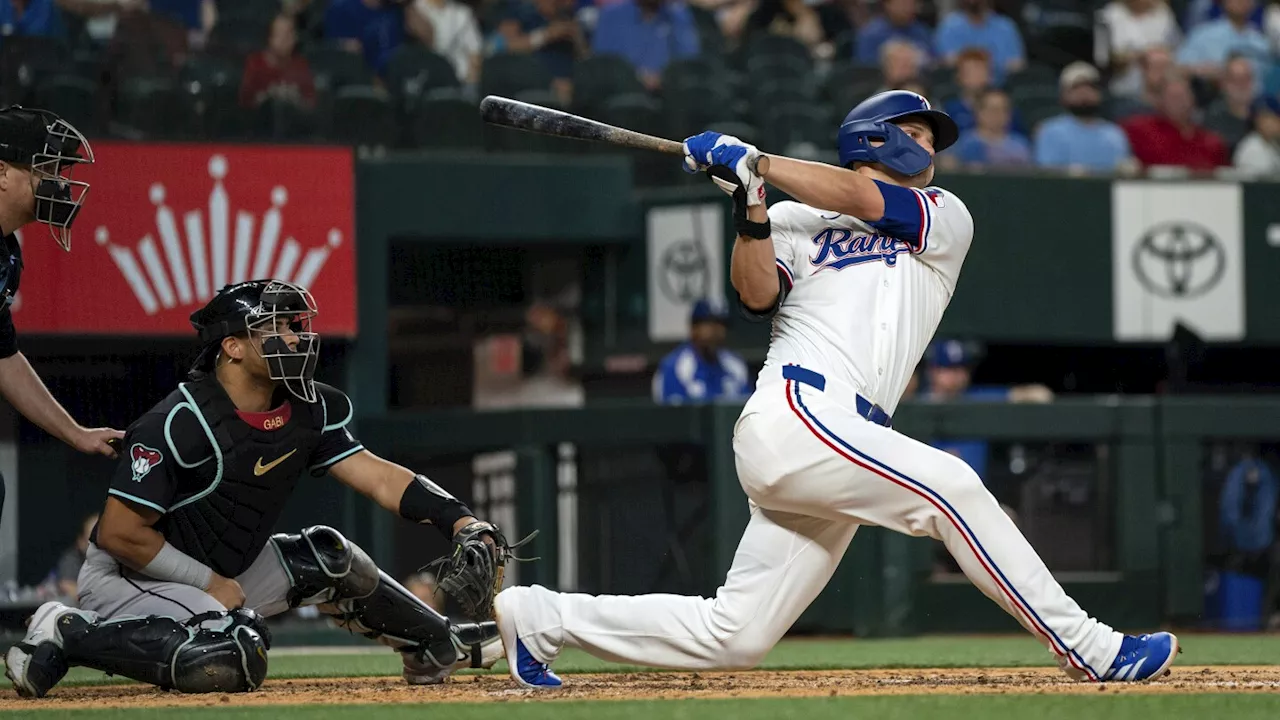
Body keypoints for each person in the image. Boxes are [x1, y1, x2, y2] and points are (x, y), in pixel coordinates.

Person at [490, 90, 1179, 689]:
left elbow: (858, 197)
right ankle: (1091, 649)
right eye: (915, 133)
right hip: (798, 411)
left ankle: (541, 617)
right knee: (953, 488)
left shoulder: (943, 215)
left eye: (930, 139)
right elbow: (755, 292)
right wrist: (752, 204)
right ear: (871, 137)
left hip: (847, 440)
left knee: (736, 637)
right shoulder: (795, 221)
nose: (927, 148)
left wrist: (756, 164)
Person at [5, 279, 530, 699]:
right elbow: (119, 535)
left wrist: (461, 520)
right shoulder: (178, 422)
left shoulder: (308, 406)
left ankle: (435, 642)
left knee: (328, 556)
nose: (297, 338)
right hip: (130, 579)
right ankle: (69, 630)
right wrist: (207, 583)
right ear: (232, 347)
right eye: (276, 328)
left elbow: (379, 474)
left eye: (296, 326)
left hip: (224, 572)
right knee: (229, 658)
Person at [0, 106, 125, 527]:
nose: (59, 186)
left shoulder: (6, 253)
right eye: (46, 172)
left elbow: (4, 356)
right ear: (2, 172)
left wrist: (76, 432)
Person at [1033, 62, 1136, 173]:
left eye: (1091, 87)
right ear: (1063, 95)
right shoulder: (1050, 131)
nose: (1084, 93)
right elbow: (1047, 174)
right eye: (1076, 88)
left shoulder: (1115, 134)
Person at [652, 298, 751, 405]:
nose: (718, 332)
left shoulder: (736, 365)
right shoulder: (674, 367)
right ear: (694, 328)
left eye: (722, 325)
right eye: (711, 325)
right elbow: (670, 416)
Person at [1233, 95, 1280, 177]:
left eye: (1273, 117)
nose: (1271, 123)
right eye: (1265, 118)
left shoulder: (1272, 144)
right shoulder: (1251, 148)